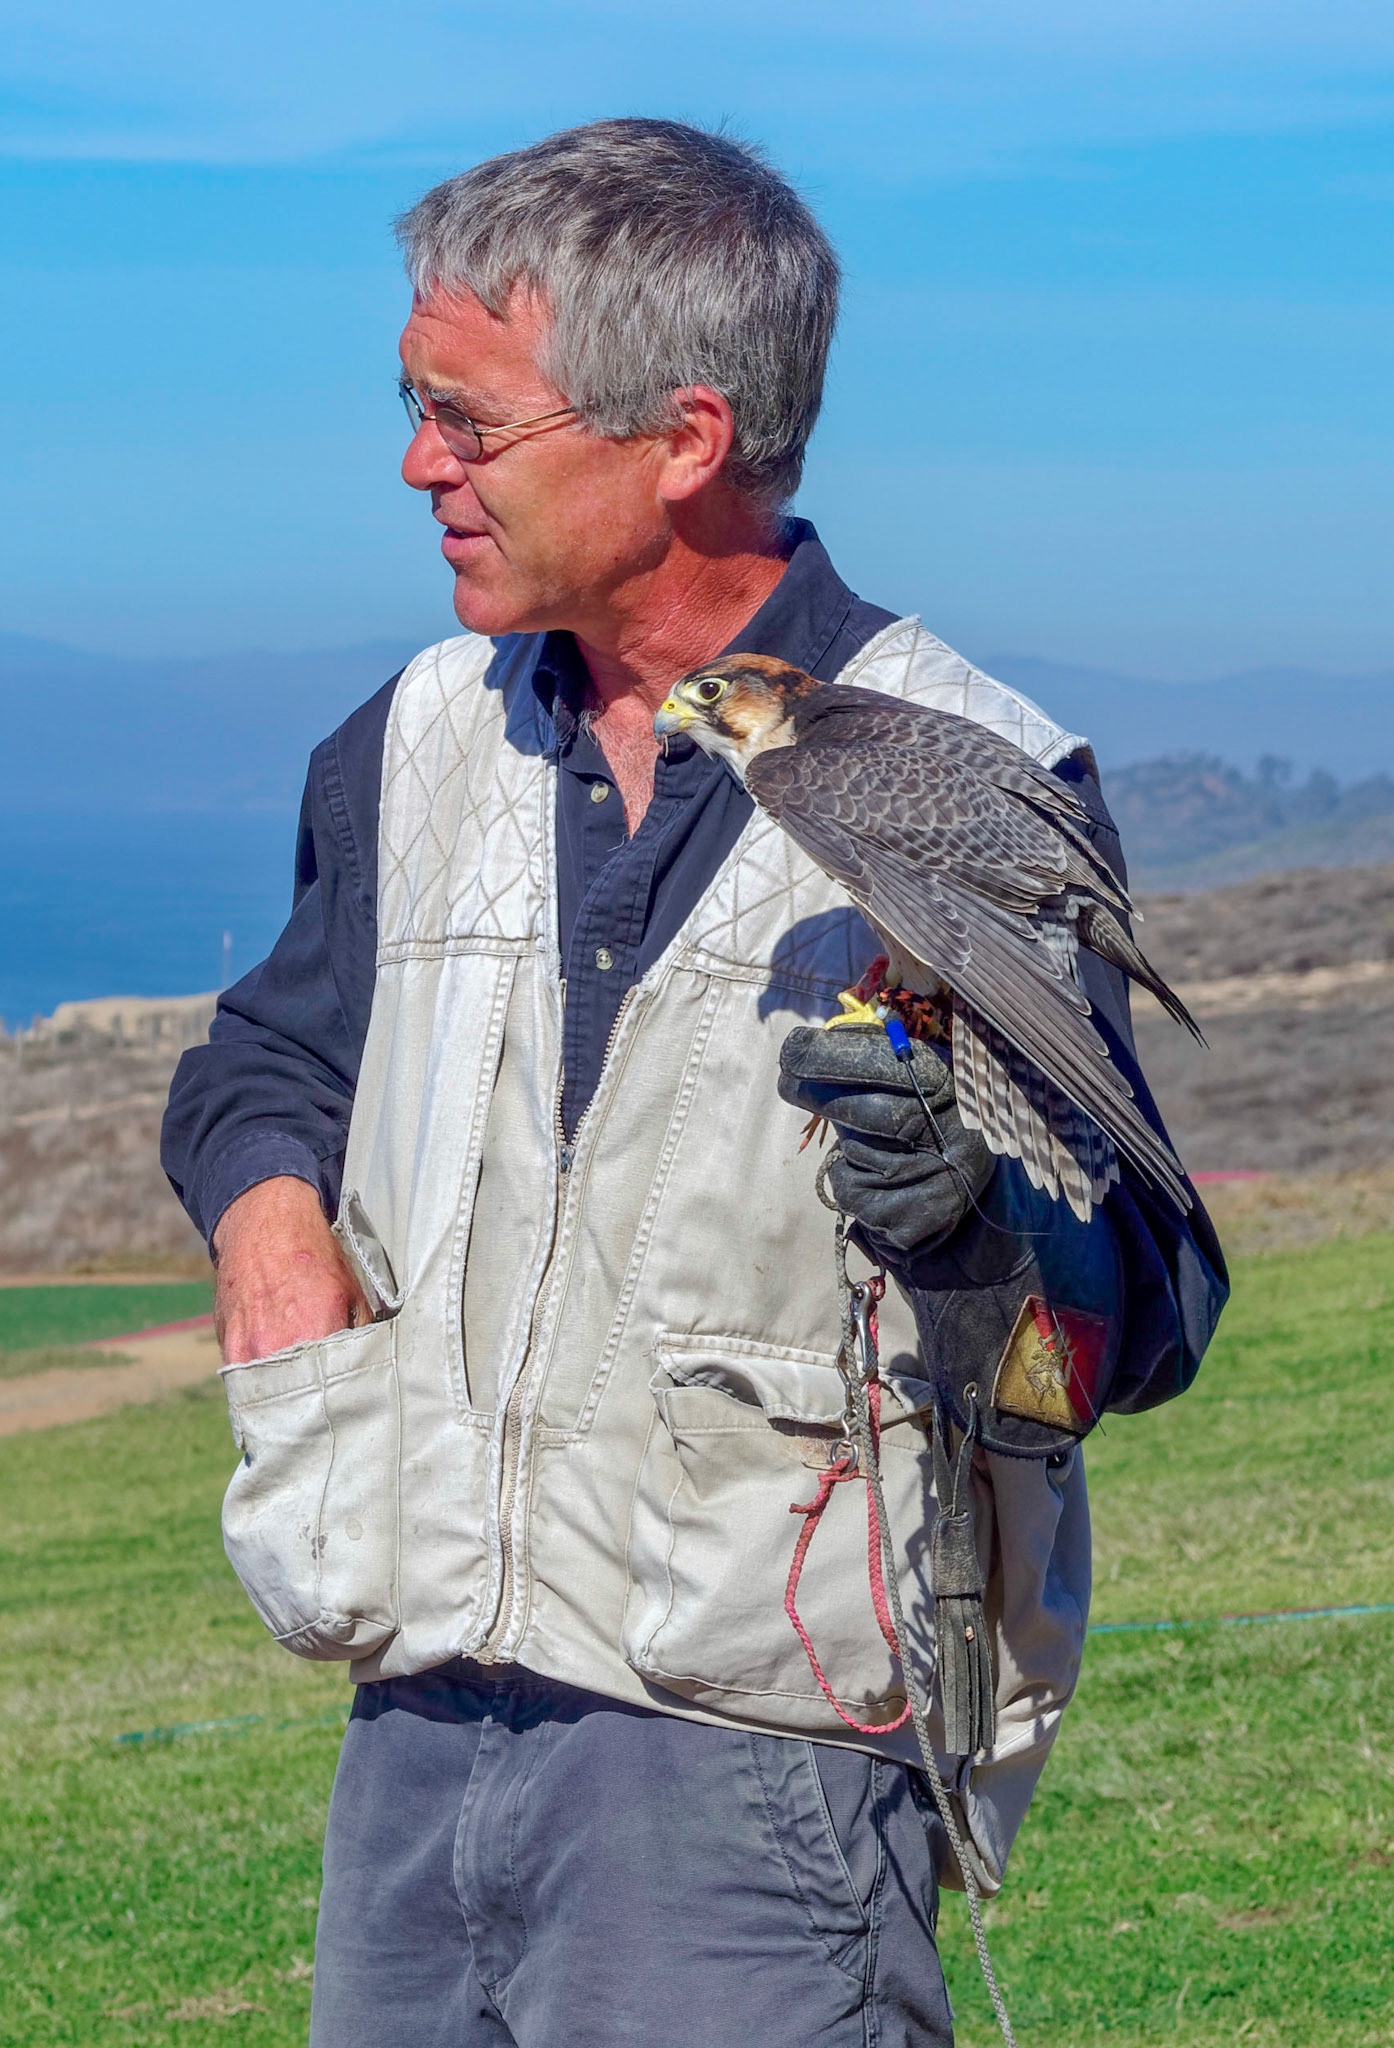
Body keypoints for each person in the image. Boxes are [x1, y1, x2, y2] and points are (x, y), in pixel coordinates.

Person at [163, 118, 1227, 2048]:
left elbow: (1139, 1312)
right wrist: (264, 1228)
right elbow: (270, 1052)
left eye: (468, 424)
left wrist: (969, 1230)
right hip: (413, 1736)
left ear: (684, 436)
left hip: (756, 1777)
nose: (419, 467)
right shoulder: (408, 740)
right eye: (413, 408)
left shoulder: (971, 761)